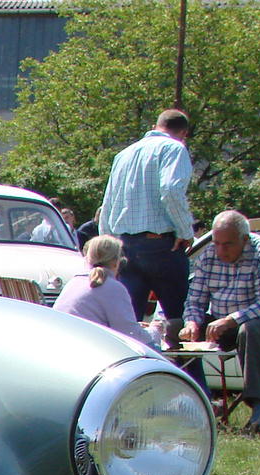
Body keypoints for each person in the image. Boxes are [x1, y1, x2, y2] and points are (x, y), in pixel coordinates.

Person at [97, 109, 194, 324]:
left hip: (125, 247)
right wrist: (185, 231)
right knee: (180, 321)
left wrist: (109, 247)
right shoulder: (174, 148)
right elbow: (170, 190)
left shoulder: (123, 155)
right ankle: (183, 358)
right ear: (184, 133)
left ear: (154, 127)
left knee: (127, 323)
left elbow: (108, 204)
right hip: (161, 244)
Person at [182, 210, 260, 435]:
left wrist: (231, 320)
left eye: (228, 244)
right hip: (221, 321)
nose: (220, 250)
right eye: (217, 243)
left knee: (249, 330)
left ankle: (258, 412)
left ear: (245, 239)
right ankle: (194, 401)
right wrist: (192, 323)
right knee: (174, 328)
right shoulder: (208, 255)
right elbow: (194, 299)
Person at [53, 234, 164, 348]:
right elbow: (131, 336)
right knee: (151, 347)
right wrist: (154, 330)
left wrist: (136, 326)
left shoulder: (73, 282)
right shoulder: (113, 287)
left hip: (62, 346)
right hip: (87, 350)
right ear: (116, 262)